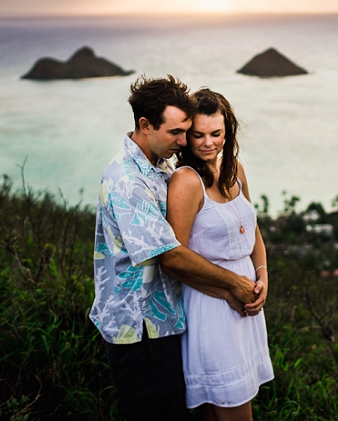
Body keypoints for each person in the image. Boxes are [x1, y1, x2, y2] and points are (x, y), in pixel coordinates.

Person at [89, 76, 261, 421]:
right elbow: (170, 254)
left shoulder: (159, 166)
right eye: (177, 133)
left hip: (166, 320)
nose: (185, 142)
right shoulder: (127, 180)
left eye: (188, 131)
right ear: (145, 125)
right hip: (138, 328)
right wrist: (232, 284)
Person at [167, 89, 274, 421]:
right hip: (212, 306)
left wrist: (263, 275)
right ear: (186, 135)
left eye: (216, 134)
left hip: (245, 301)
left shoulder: (235, 169)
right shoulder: (186, 181)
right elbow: (176, 259)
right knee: (230, 408)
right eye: (197, 134)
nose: (207, 143)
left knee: (233, 404)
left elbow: (251, 227)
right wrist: (228, 290)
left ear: (228, 132)